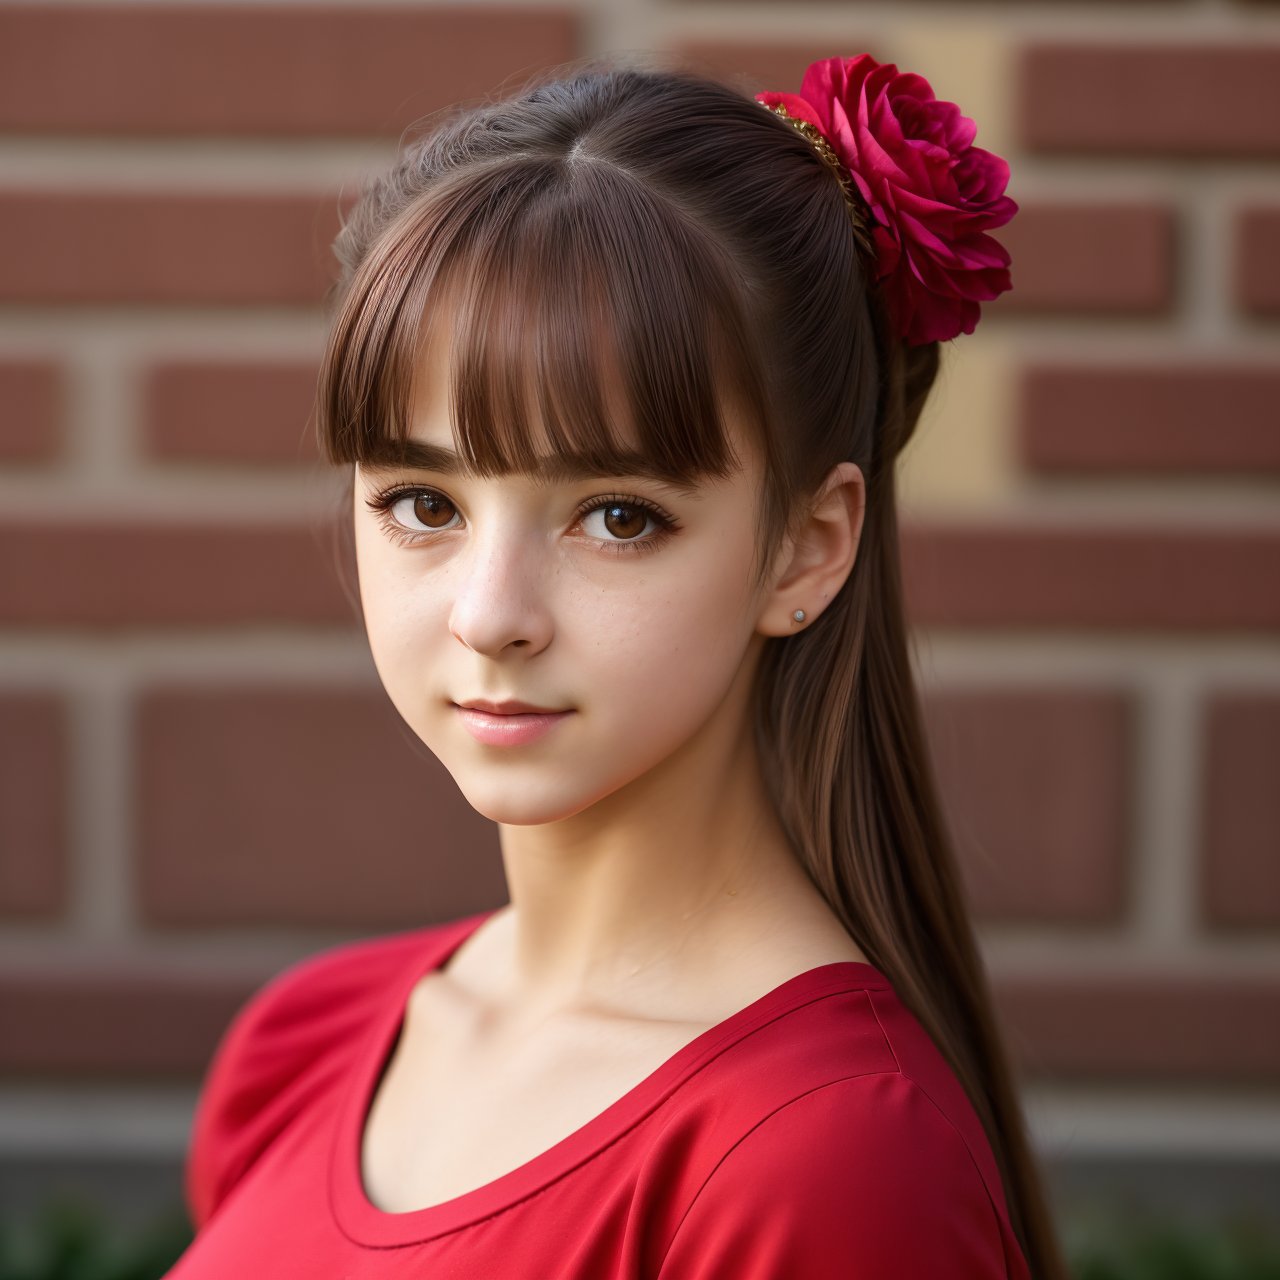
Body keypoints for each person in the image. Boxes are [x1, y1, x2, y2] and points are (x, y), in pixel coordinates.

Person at [166, 53, 1066, 1279]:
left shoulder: (827, 1162)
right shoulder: (306, 1043)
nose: (491, 614)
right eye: (423, 500)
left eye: (617, 515)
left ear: (808, 548)